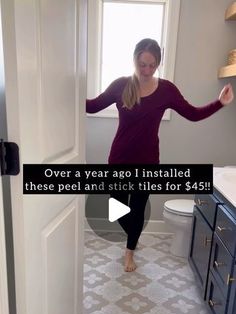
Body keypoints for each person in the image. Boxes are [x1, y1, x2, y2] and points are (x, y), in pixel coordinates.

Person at [86, 38, 234, 273]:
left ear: (158, 64)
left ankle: (129, 251)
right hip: (119, 159)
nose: (146, 70)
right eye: (142, 64)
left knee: (137, 207)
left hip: (147, 162)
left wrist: (220, 103)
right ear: (134, 60)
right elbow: (91, 106)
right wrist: (67, 92)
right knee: (115, 207)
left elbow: (192, 114)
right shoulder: (121, 85)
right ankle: (133, 235)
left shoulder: (166, 90)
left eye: (152, 65)